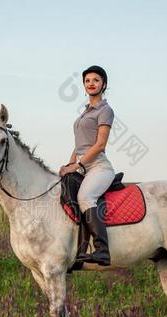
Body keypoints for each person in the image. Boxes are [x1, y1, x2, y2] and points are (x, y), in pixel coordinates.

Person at [58, 65, 115, 266]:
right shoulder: (85, 112)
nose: (91, 83)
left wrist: (78, 164)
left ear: (104, 84)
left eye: (96, 80)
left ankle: (102, 250)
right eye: (87, 80)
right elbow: (79, 145)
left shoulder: (105, 110)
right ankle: (78, 252)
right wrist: (69, 165)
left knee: (85, 196)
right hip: (82, 165)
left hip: (98, 167)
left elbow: (100, 145)